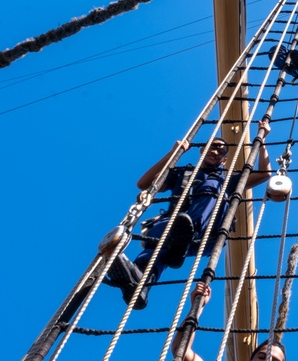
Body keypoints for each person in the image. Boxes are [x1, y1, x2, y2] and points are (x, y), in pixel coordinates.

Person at [107, 128, 272, 309]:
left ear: (224, 160)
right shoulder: (183, 173)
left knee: (213, 185)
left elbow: (265, 174)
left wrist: (262, 141)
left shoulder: (228, 180)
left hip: (206, 234)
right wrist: (173, 154)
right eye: (211, 147)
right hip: (172, 232)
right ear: (202, 150)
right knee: (156, 247)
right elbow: (143, 184)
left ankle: (187, 231)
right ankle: (139, 283)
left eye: (220, 150)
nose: (214, 151)